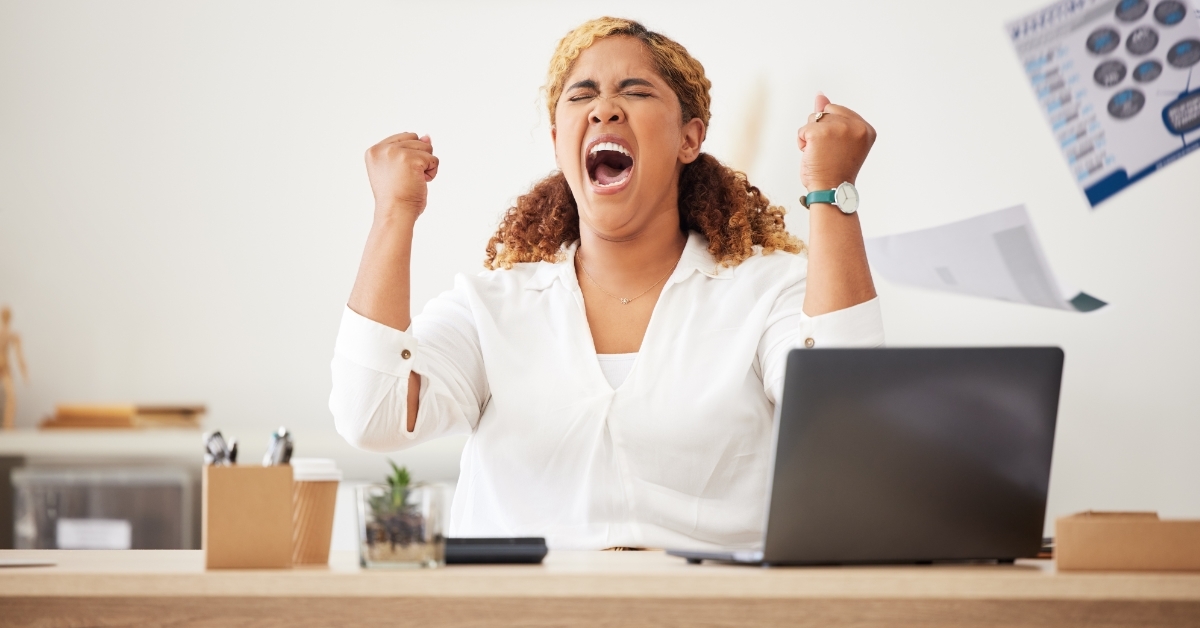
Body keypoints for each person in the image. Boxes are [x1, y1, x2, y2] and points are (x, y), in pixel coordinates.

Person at [331, 17, 883, 550]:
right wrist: (393, 212)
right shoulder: (492, 306)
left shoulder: (765, 291)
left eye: (636, 92)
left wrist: (832, 190)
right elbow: (371, 417)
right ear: (557, 140)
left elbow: (849, 423)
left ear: (689, 138)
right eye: (581, 95)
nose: (604, 109)